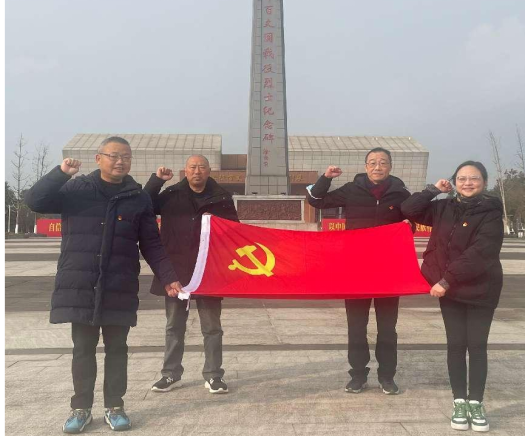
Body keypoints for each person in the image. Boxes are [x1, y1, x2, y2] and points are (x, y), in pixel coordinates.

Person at [25, 137, 182, 434]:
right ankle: (81, 408)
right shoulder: (77, 189)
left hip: (119, 284)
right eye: (114, 156)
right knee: (83, 349)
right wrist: (60, 173)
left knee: (117, 349)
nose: (120, 161)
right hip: (81, 284)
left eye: (126, 157)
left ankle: (115, 406)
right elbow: (35, 201)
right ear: (99, 159)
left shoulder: (138, 197)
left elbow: (152, 243)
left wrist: (168, 276)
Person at [401, 161, 503, 432]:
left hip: (480, 289)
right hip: (450, 290)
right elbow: (409, 209)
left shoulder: (492, 212)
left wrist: (446, 280)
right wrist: (433, 190)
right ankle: (459, 402)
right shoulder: (443, 207)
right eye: (462, 178)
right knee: (456, 346)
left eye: (474, 178)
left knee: (477, 346)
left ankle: (476, 403)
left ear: (484, 182)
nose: (468, 183)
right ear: (454, 182)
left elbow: (481, 252)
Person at [307, 147, 411, 395]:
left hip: (388, 270)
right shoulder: (352, 189)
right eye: (372, 162)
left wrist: (409, 225)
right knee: (356, 326)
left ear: (390, 167)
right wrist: (326, 178)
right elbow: (316, 201)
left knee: (387, 328)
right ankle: (357, 375)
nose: (377, 167)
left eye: (382, 162)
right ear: (366, 167)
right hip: (356, 268)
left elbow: (414, 217)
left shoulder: (400, 193)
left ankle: (387, 376)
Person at [144, 155, 239, 395]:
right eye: (193, 167)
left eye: (202, 167)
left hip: (208, 270)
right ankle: (170, 373)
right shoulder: (171, 195)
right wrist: (157, 181)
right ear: (185, 171)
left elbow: (234, 232)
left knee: (212, 327)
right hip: (176, 271)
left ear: (209, 171)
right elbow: (145, 204)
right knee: (174, 326)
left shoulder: (222, 198)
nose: (197, 171)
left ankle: (214, 375)